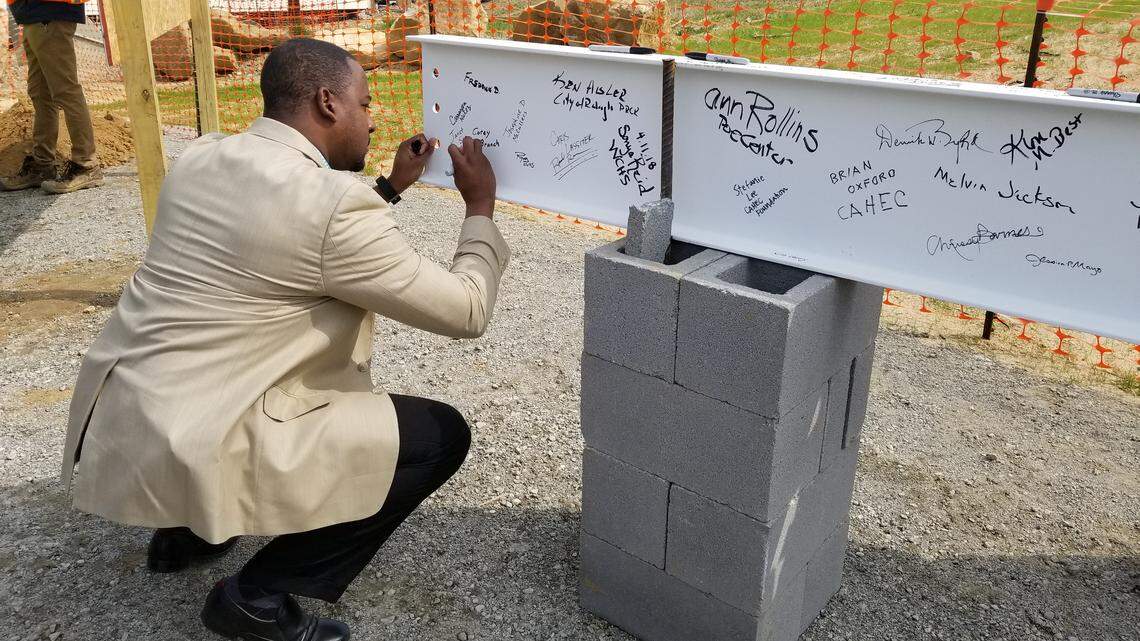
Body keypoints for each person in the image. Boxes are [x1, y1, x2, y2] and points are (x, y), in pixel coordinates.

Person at [61, 38, 508, 641]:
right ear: (328, 102)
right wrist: (479, 208)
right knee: (438, 436)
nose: (373, 119)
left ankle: (187, 527)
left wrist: (391, 188)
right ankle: (257, 598)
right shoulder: (333, 206)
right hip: (207, 424)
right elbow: (467, 311)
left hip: (130, 417)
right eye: (365, 103)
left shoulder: (202, 157)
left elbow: (281, 240)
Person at [1, 0, 101, 193]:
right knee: (41, 93)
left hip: (49, 11)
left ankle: (86, 164)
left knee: (66, 91)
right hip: (32, 14)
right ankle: (43, 164)